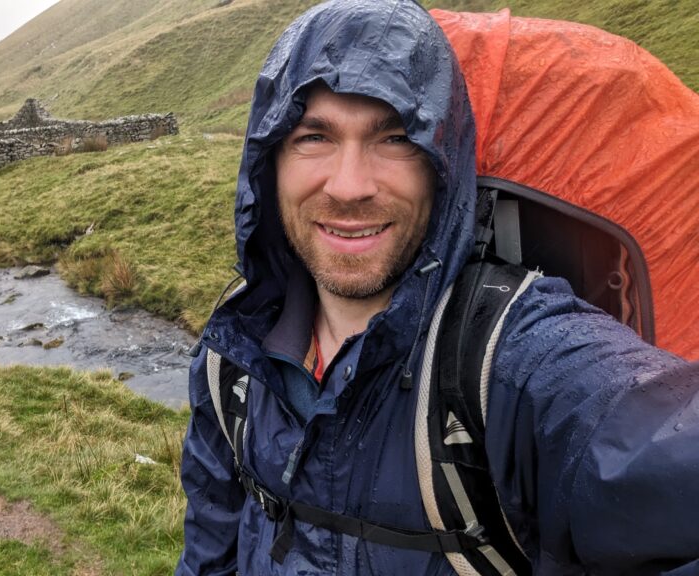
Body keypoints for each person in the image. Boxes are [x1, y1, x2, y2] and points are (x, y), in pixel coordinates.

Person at [175, 1, 699, 574]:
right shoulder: (232, 358)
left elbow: (653, 448)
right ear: (269, 162)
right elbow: (208, 554)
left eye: (395, 137)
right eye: (313, 137)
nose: (349, 186)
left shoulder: (510, 357)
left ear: (441, 165)